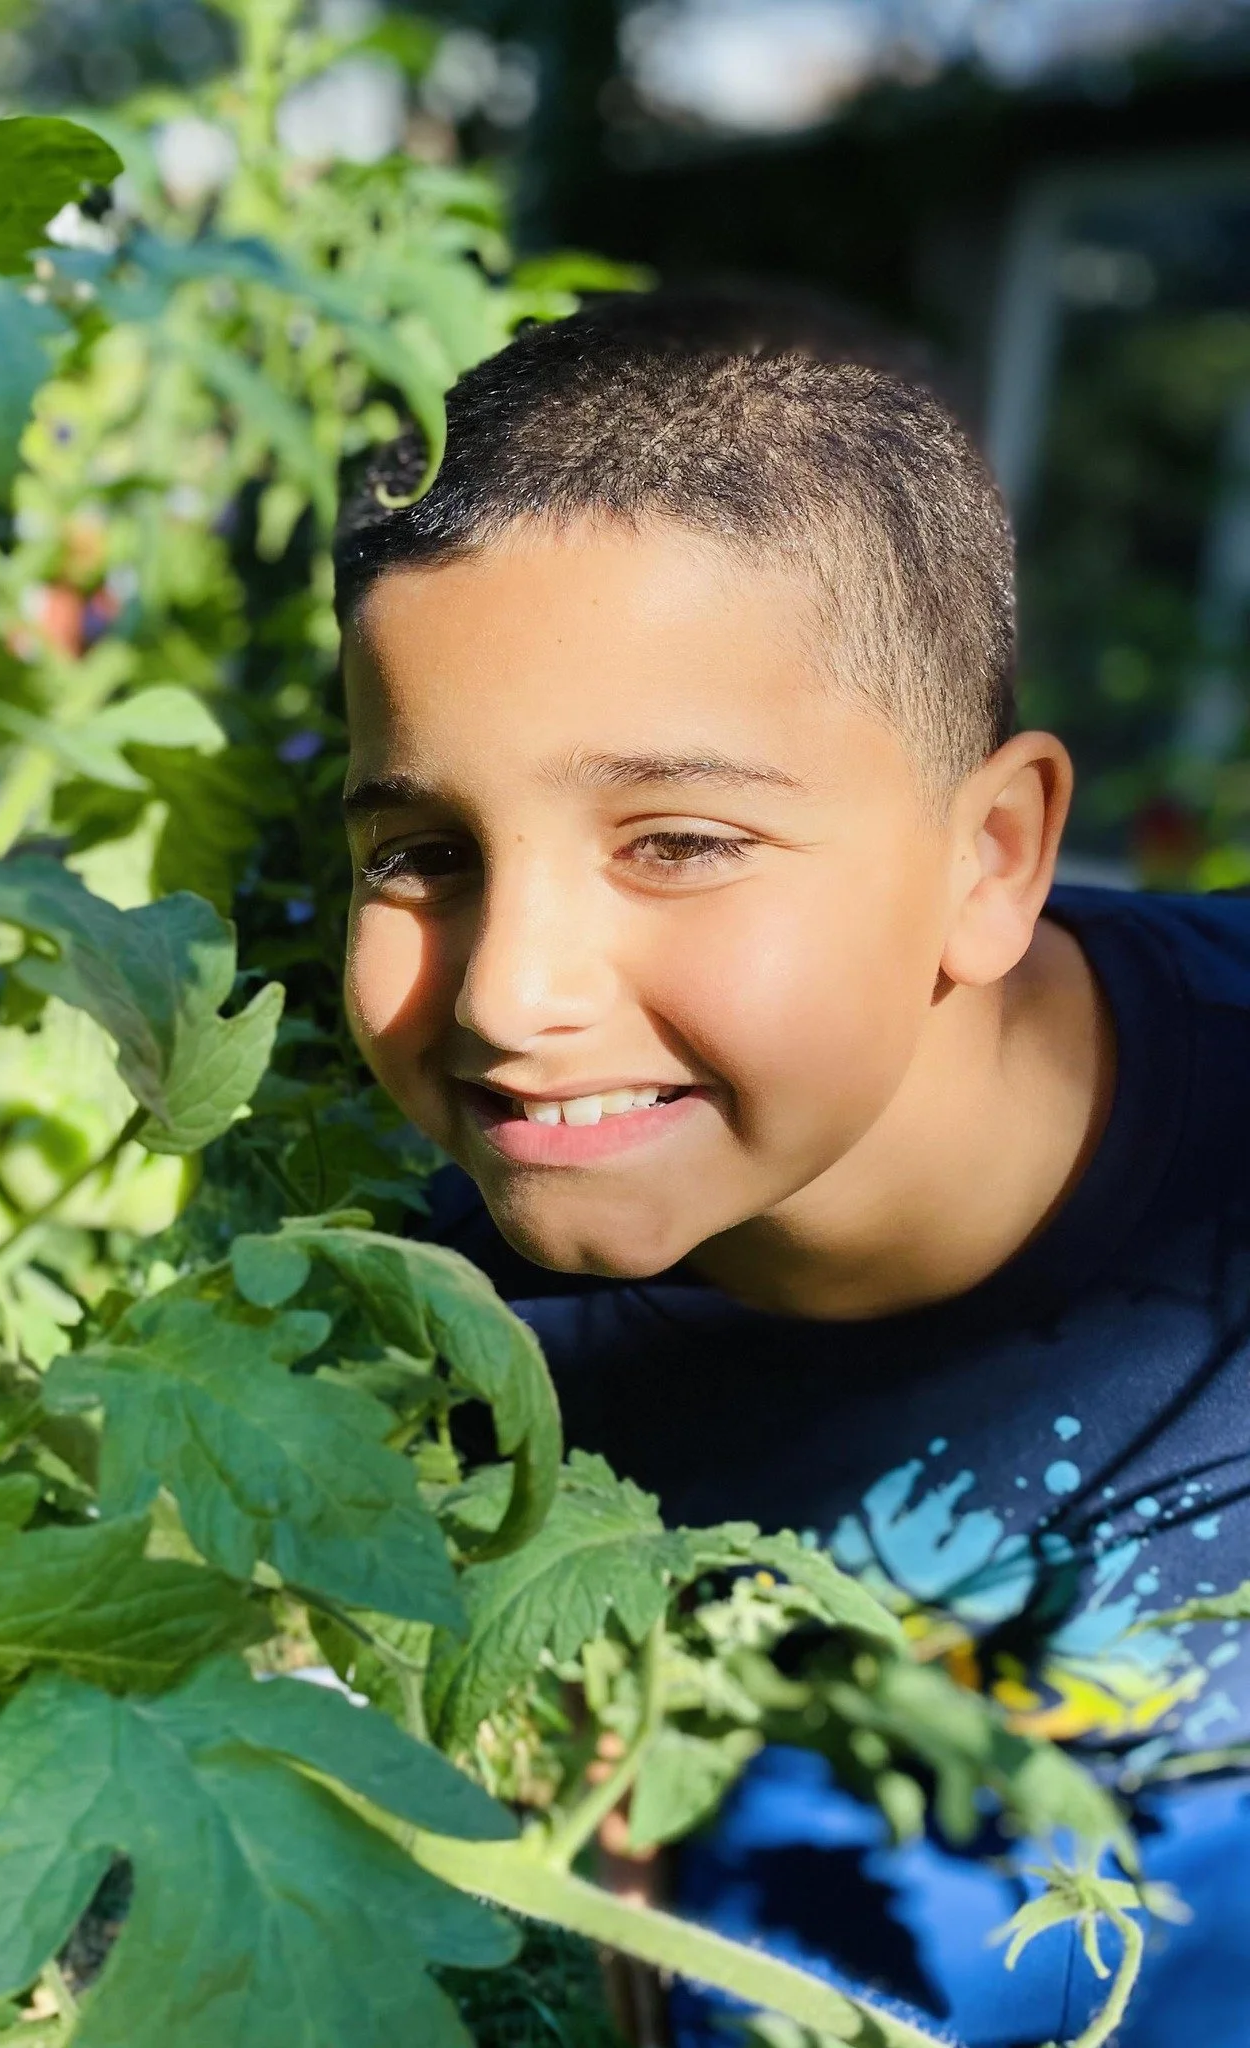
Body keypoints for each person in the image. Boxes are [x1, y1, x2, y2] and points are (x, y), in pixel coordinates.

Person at [333, 289, 1250, 2045]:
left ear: (991, 857)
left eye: (677, 842)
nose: (516, 996)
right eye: (422, 853)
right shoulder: (421, 1377)